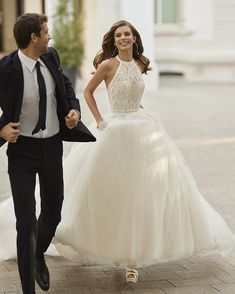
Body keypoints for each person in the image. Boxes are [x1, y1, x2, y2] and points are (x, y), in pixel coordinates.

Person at [53, 20, 235, 282]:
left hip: (142, 128)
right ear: (113, 41)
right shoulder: (108, 65)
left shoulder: (141, 63)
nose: (124, 38)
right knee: (113, 191)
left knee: (143, 193)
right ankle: (113, 246)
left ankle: (132, 259)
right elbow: (88, 91)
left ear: (135, 38)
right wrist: (99, 119)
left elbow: (135, 93)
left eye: (128, 34)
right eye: (119, 35)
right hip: (114, 129)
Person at [0, 12, 94, 294]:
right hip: (23, 152)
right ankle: (28, 288)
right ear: (33, 37)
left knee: (53, 211)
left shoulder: (50, 56)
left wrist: (74, 110)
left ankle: (37, 252)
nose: (49, 36)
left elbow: (66, 87)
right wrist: (1, 129)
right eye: (45, 31)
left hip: (52, 146)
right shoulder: (6, 68)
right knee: (26, 220)